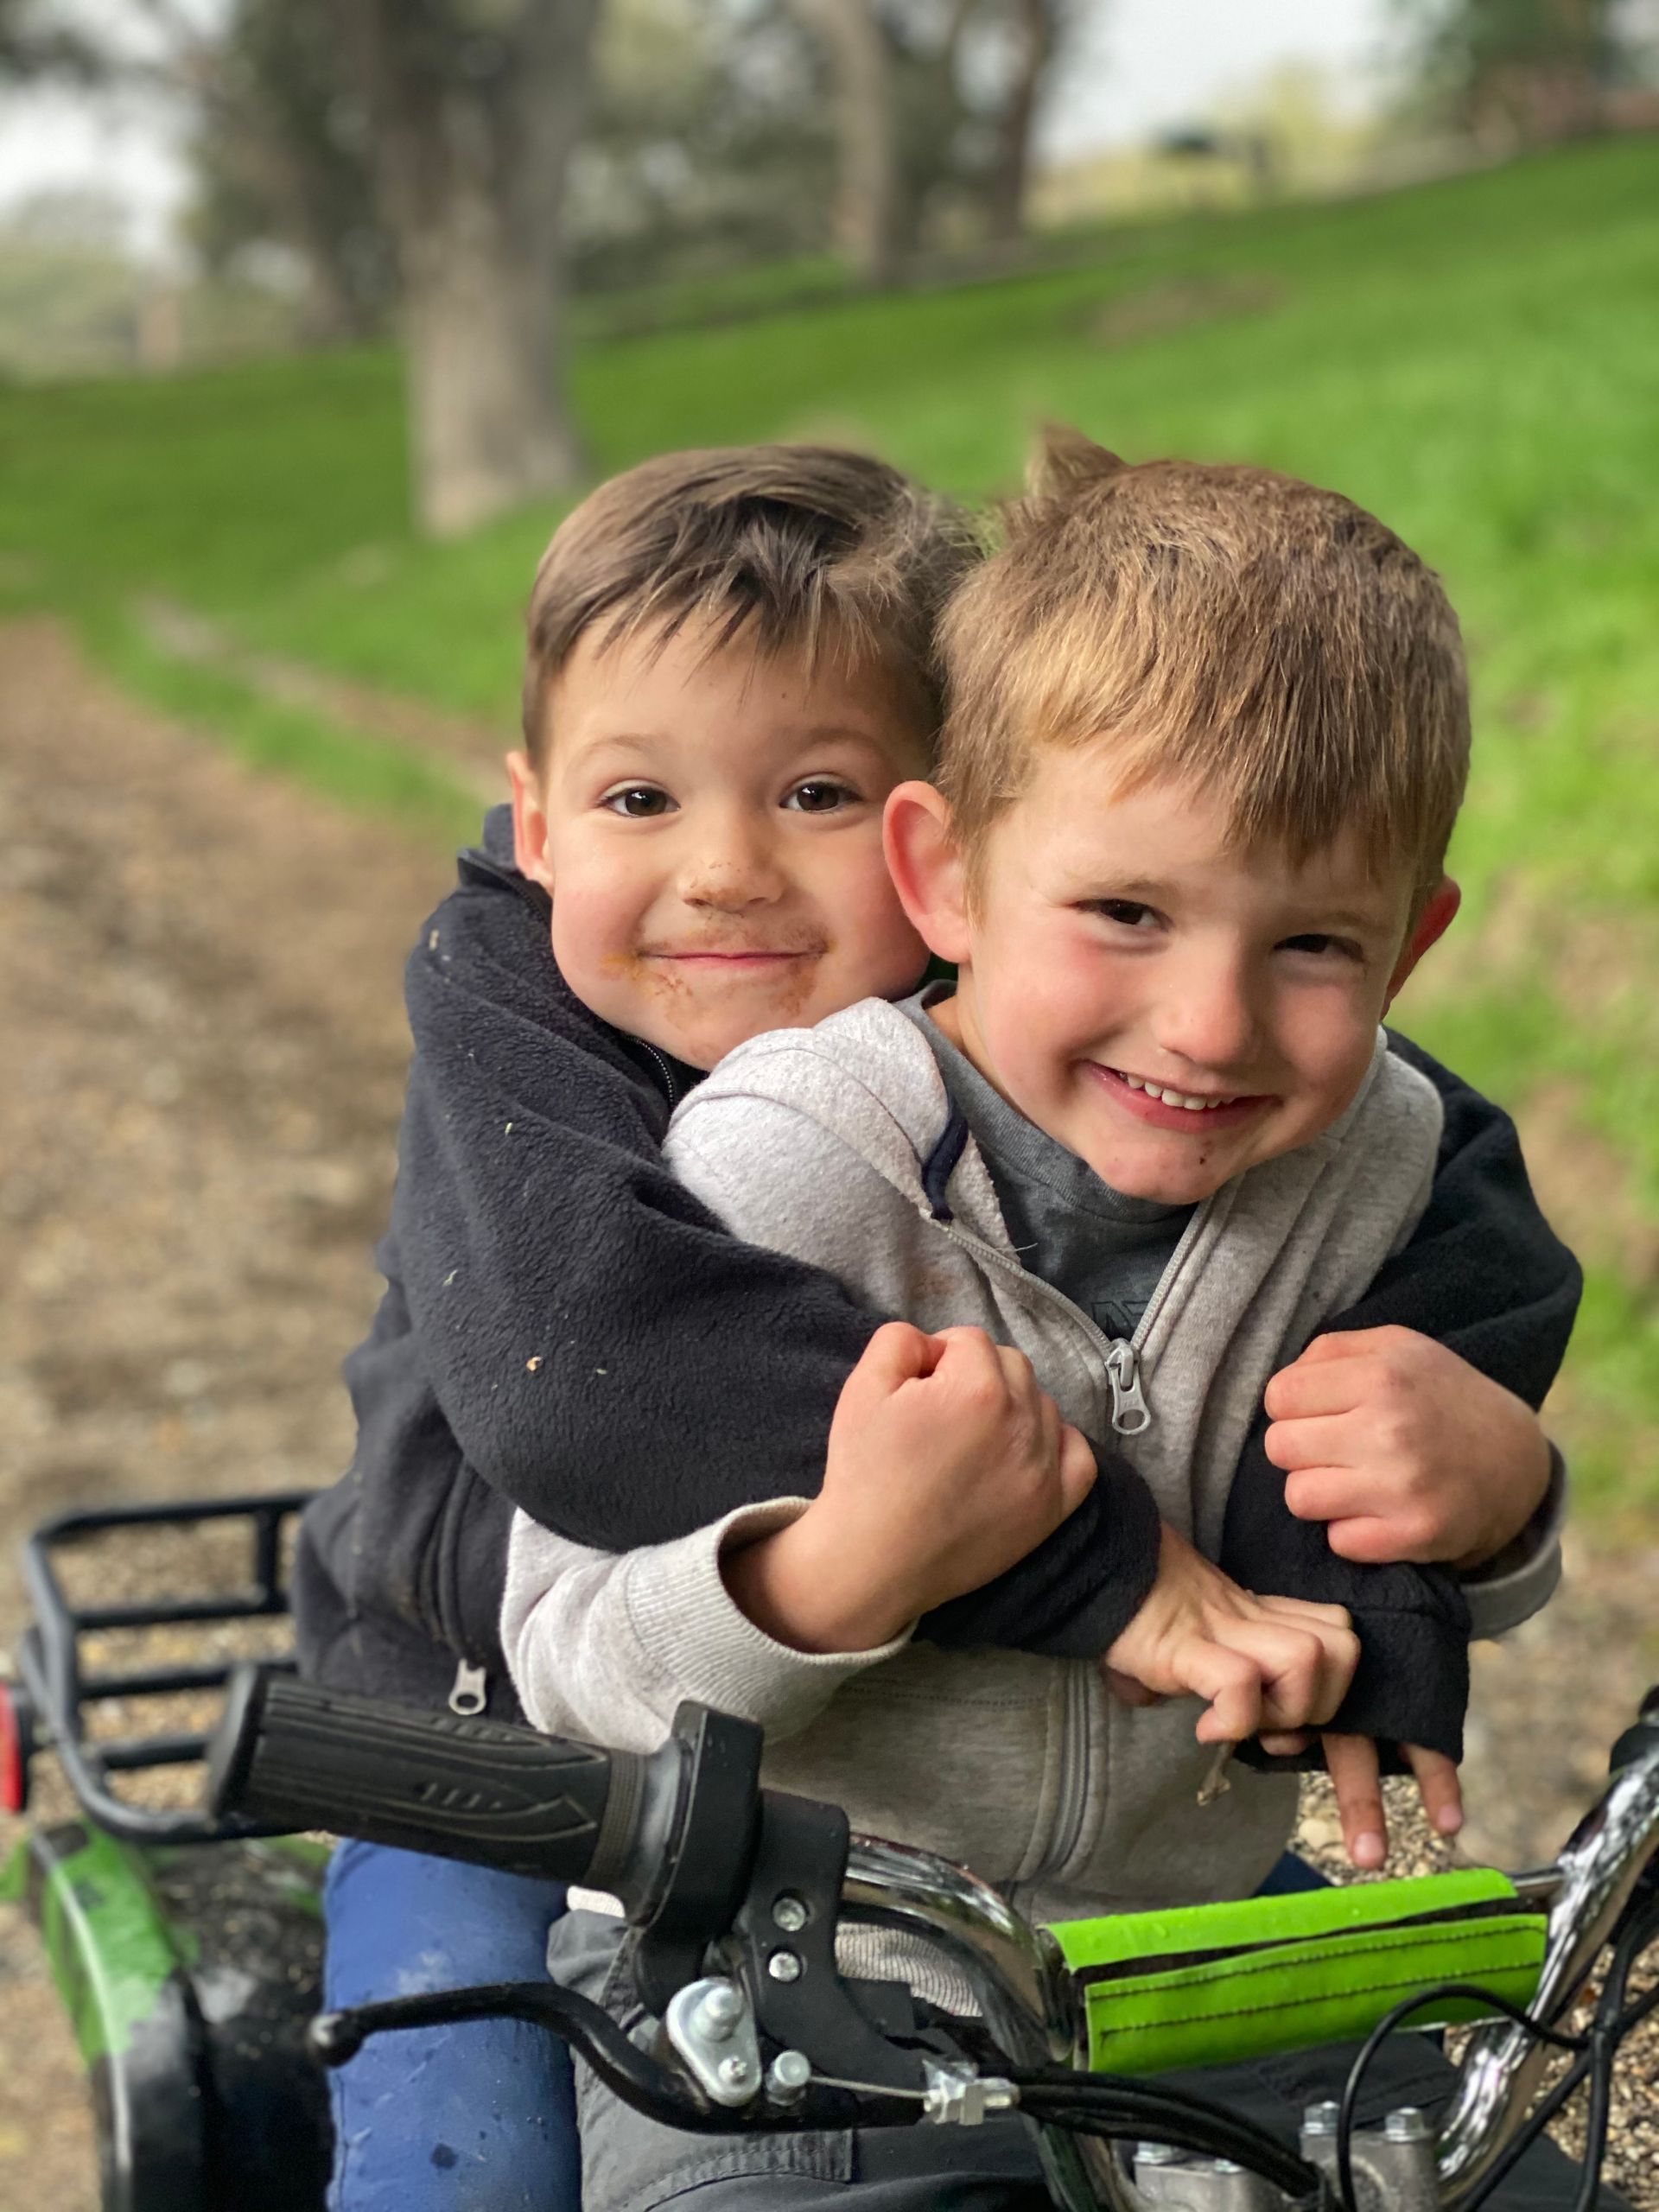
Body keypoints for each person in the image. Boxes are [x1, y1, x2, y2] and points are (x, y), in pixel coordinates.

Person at [294, 442, 1575, 2210]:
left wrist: (1481, 1507)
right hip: (487, 1745)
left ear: (924, 834)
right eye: (640, 800)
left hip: (1099, 1903)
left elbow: (1445, 1198)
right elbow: (593, 1399)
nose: (730, 871)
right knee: (470, 2154)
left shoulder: (1205, 1085)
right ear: (537, 823)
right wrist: (941, 1561)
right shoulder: (598, 1066)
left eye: (813, 790)